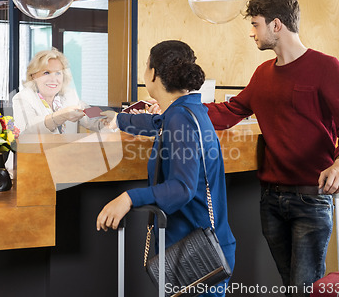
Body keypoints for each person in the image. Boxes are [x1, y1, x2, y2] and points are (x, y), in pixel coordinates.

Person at [204, 0, 339, 296]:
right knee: (292, 287)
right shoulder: (262, 74)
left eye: (256, 24)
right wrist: (178, 107)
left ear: (276, 25)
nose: (252, 33)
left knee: (302, 288)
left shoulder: (325, 67)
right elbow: (229, 112)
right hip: (271, 201)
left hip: (311, 199)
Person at [97, 40, 236, 297]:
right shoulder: (187, 110)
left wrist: (128, 197)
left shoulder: (180, 118)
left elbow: (181, 188)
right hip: (203, 246)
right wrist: (118, 119)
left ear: (152, 73)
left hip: (198, 253)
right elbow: (156, 122)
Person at [12, 48, 104, 134]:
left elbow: (90, 115)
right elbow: (27, 131)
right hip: (32, 151)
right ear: (33, 76)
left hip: (64, 151)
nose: (53, 79)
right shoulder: (22, 98)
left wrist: (111, 117)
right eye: (46, 73)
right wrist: (61, 115)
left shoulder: (68, 95)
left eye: (58, 73)